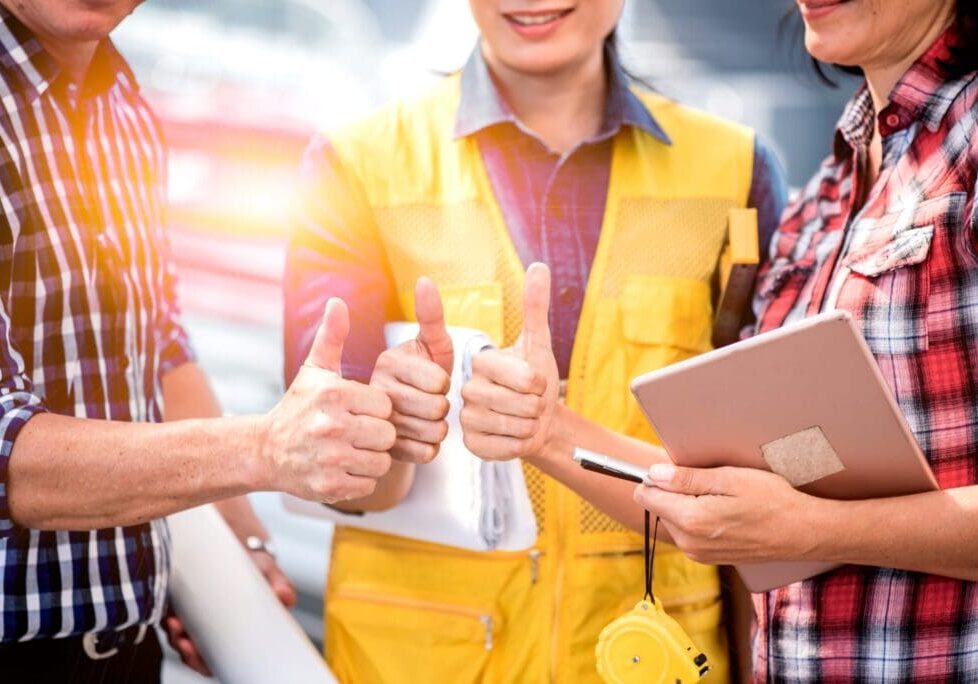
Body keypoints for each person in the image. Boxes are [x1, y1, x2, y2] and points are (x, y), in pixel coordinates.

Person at [284, 0, 787, 680]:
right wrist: (385, 431)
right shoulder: (355, 164)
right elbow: (326, 477)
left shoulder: (735, 170)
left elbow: (774, 479)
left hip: (652, 652)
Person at [524, 0, 978, 680]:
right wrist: (543, 430)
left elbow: (792, 523)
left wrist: (816, 531)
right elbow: (744, 506)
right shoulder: (824, 197)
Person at [0, 2, 397, 681]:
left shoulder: (121, 107)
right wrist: (266, 448)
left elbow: (160, 347)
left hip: (120, 650)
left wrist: (240, 542)